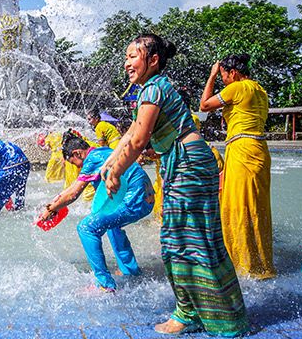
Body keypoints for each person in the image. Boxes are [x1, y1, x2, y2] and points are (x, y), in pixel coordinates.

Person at [103, 34, 248, 336]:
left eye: (133, 56)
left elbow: (141, 141)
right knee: (193, 240)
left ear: (153, 60)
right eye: (126, 57)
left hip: (188, 164)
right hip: (188, 161)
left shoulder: (153, 89)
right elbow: (132, 132)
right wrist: (110, 161)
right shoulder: (151, 89)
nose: (127, 62)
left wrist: (116, 171)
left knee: (180, 241)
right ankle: (211, 312)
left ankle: (192, 313)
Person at [40, 135, 153, 292]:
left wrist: (51, 209)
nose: (78, 168)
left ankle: (104, 285)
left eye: (74, 163)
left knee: (86, 227)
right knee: (112, 225)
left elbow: (74, 193)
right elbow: (72, 188)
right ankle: (131, 271)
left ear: (78, 153)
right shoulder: (103, 152)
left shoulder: (91, 160)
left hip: (134, 199)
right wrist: (56, 201)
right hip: (147, 198)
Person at [200, 54, 275, 279]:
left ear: (232, 72)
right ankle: (262, 262)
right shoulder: (260, 90)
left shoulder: (238, 87)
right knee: (257, 207)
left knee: (238, 207)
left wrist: (211, 76)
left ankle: (245, 266)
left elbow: (204, 106)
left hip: (243, 150)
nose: (223, 80)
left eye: (223, 75)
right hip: (258, 150)